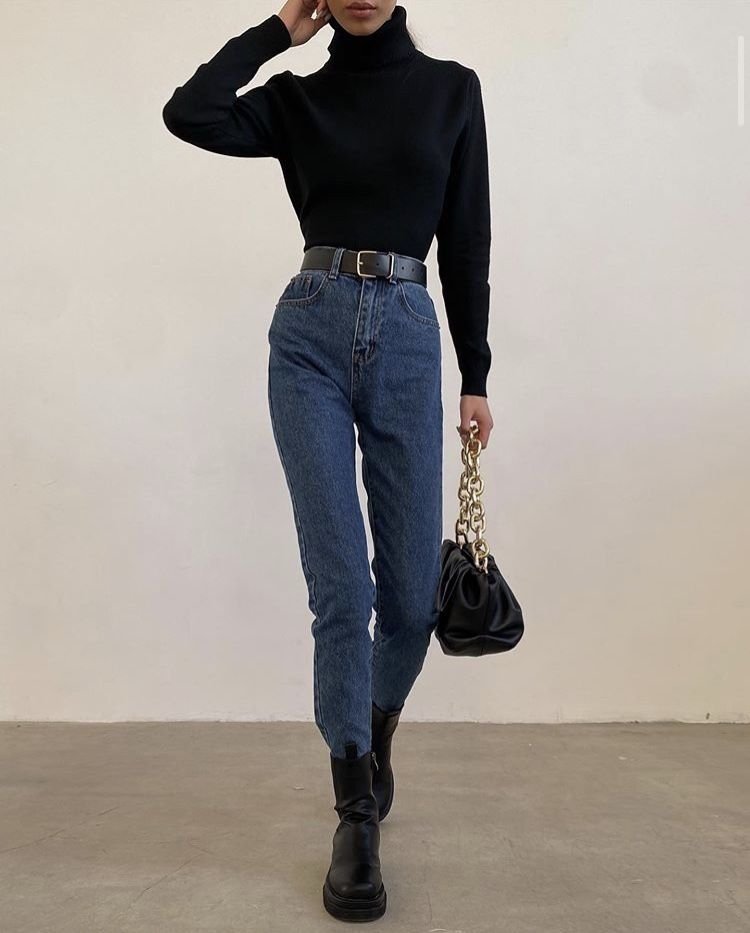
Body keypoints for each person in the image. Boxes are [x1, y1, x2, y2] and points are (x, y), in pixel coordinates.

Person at [162, 0, 494, 921]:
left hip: (410, 334)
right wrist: (277, 33)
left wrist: (475, 373)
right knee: (342, 586)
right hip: (307, 335)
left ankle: (373, 727)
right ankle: (354, 809)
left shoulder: (451, 91)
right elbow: (190, 112)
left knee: (413, 598)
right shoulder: (296, 101)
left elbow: (468, 237)